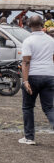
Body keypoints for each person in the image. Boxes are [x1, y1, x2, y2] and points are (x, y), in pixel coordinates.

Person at [18, 15, 54, 145]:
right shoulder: (51, 40)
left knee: (28, 107)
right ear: (43, 24)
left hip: (33, 76)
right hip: (49, 76)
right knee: (49, 108)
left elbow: (26, 62)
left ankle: (29, 137)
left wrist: (25, 81)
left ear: (29, 25)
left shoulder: (28, 41)